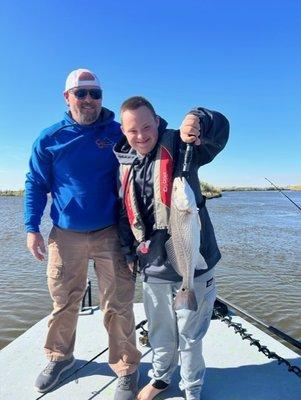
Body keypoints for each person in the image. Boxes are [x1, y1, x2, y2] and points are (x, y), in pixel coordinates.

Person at [24, 69, 142, 400]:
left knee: (118, 303)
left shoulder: (119, 134)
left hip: (111, 234)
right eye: (81, 93)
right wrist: (32, 227)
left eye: (95, 93)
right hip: (65, 235)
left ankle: (126, 366)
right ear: (67, 97)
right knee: (64, 300)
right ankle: (59, 357)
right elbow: (35, 183)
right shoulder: (49, 139)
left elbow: (140, 170)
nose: (89, 100)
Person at [114, 96, 229, 400]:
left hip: (195, 261)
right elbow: (124, 216)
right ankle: (161, 378)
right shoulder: (124, 164)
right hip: (153, 265)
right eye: (132, 130)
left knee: (191, 335)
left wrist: (200, 118)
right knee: (160, 333)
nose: (141, 135)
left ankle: (192, 389)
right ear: (123, 131)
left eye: (146, 126)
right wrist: (128, 253)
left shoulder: (181, 145)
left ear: (157, 121)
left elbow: (219, 134)